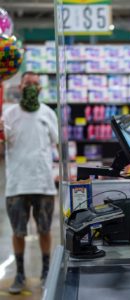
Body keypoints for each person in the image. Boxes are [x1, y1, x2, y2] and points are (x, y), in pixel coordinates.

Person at [0, 71, 58, 294]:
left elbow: (56, 142)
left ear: (41, 89)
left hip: (42, 182)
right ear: (20, 87)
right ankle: (20, 275)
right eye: (27, 84)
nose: (31, 87)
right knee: (18, 232)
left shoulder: (47, 113)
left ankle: (46, 272)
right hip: (17, 183)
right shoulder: (9, 113)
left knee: (44, 230)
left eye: (35, 84)